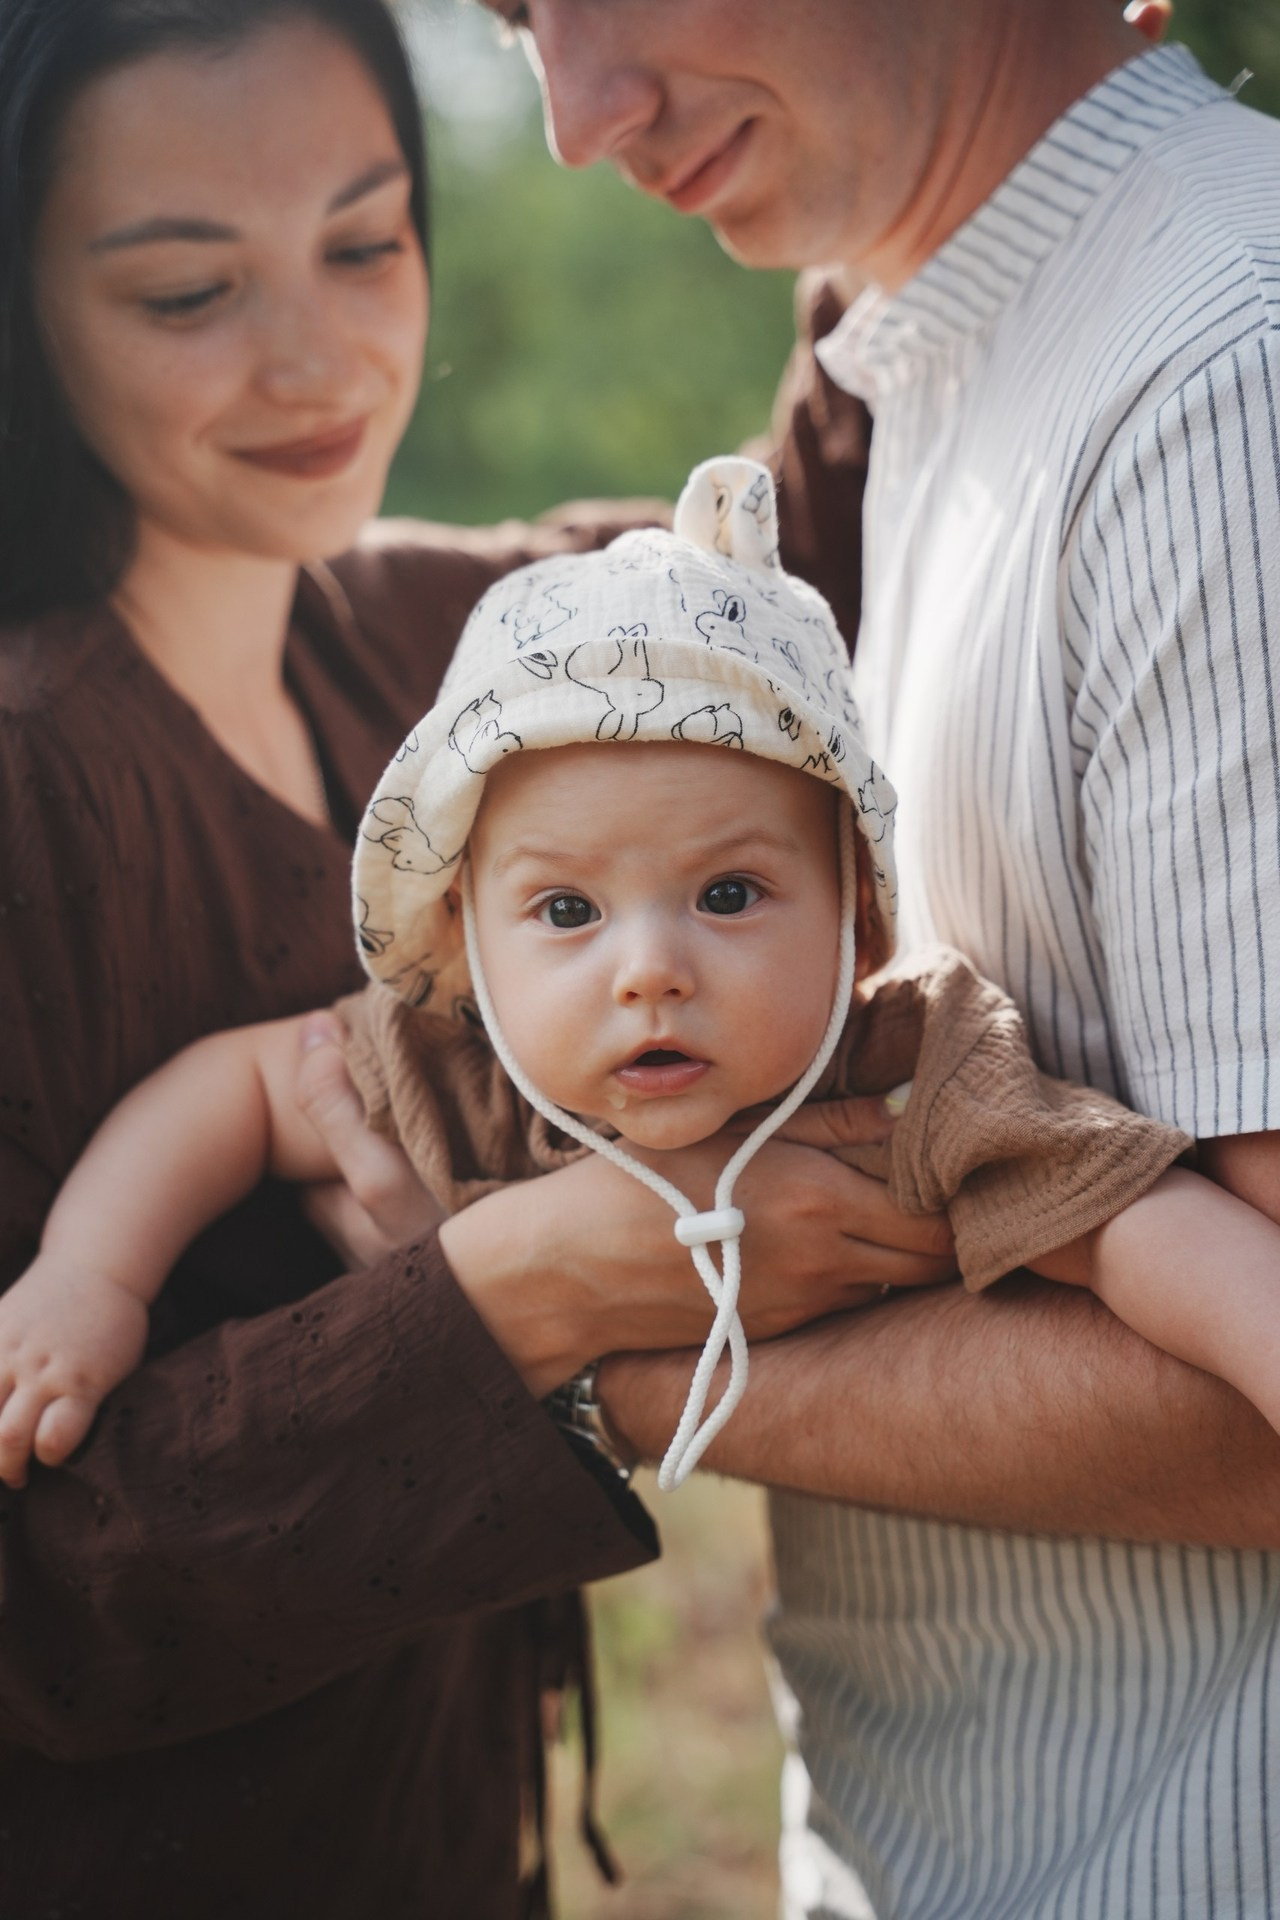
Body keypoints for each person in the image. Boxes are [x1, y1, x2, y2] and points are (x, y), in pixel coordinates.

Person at [2, 5, 945, 1914]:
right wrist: (518, 1293)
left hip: (436, 1836)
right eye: (189, 290)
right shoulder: (31, 785)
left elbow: (776, 581)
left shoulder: (423, 636)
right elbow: (35, 1604)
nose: (315, 357)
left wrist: (927, 139)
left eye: (365, 243)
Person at [462, 1, 1280, 1913]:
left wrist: (577, 1341)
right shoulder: (950, 371)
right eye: (516, 22)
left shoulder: (1222, 372)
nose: (579, 119)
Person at [20, 449, 1280, 1507]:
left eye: (727, 896)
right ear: (464, 939)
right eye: (565, 910)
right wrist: (92, 1275)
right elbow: (230, 1094)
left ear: (859, 920)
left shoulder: (912, 1064)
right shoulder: (458, 1059)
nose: (650, 973)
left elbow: (1127, 1221)